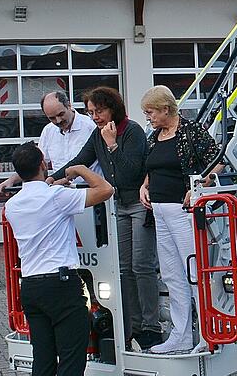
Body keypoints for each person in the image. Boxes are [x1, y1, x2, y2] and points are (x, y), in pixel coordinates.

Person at [50, 86, 162, 349]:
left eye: (99, 111)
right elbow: (81, 160)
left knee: (141, 266)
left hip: (138, 204)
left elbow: (132, 172)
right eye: (90, 112)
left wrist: (112, 145)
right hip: (117, 206)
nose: (95, 117)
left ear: (113, 108)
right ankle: (131, 326)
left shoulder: (132, 131)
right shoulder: (97, 134)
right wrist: (54, 178)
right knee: (123, 268)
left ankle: (151, 326)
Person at [4, 142, 114, 376]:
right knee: (71, 360)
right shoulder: (56, 197)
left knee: (42, 360)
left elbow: (40, 201)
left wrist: (53, 186)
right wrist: (80, 169)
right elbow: (105, 190)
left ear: (19, 172)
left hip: (31, 286)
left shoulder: (13, 205)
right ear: (43, 164)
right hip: (62, 285)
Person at [140, 85, 222, 353]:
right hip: (160, 212)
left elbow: (217, 158)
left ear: (165, 109)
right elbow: (152, 166)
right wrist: (145, 185)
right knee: (172, 275)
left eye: (150, 112)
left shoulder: (190, 131)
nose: (148, 117)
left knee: (193, 272)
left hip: (182, 211)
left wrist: (198, 185)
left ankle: (208, 333)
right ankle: (181, 335)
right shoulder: (155, 136)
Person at [0, 91, 99, 192]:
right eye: (52, 118)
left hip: (90, 193)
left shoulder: (91, 127)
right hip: (60, 193)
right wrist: (12, 180)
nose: (58, 120)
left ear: (69, 105)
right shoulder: (48, 131)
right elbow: (35, 164)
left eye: (61, 114)